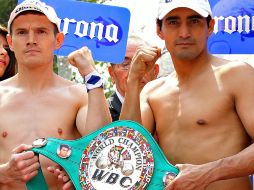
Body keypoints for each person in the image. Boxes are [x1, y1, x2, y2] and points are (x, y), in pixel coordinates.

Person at [120, 0, 254, 189]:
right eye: (173, 22)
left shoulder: (237, 75)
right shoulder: (152, 92)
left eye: (194, 21)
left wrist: (208, 173)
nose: (184, 33)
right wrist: (133, 81)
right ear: (159, 29)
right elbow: (126, 151)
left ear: (211, 26)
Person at [0, 0, 111, 190]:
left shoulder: (78, 95)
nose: (31, 39)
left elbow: (103, 149)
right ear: (10, 42)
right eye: (22, 32)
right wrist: (3, 174)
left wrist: (92, 75)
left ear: (58, 40)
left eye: (41, 31)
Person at [107, 35, 159, 121]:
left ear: (155, 71)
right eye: (125, 64)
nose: (135, 71)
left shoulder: (169, 107)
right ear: (112, 74)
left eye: (143, 63)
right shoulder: (102, 114)